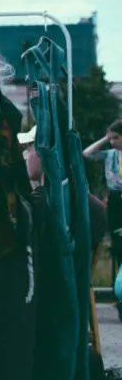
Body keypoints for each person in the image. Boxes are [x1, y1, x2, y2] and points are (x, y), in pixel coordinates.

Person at [84, 120, 122, 316]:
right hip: (115, 199)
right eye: (112, 138)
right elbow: (86, 154)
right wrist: (104, 140)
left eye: (116, 138)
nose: (113, 142)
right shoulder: (109, 155)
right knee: (117, 241)